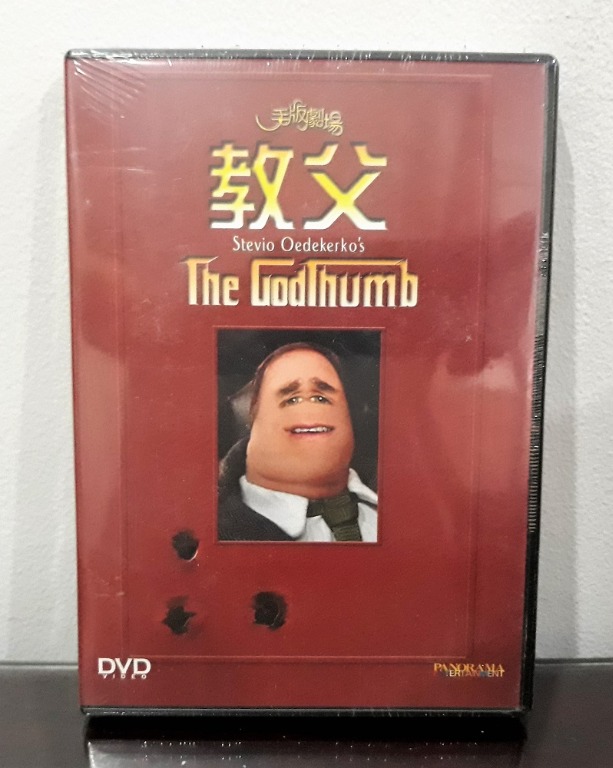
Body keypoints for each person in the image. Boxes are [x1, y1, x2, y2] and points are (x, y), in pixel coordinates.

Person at [218, 342, 378, 542]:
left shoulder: (400, 511)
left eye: (321, 398)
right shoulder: (214, 526)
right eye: (291, 400)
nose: (309, 409)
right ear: (252, 418)